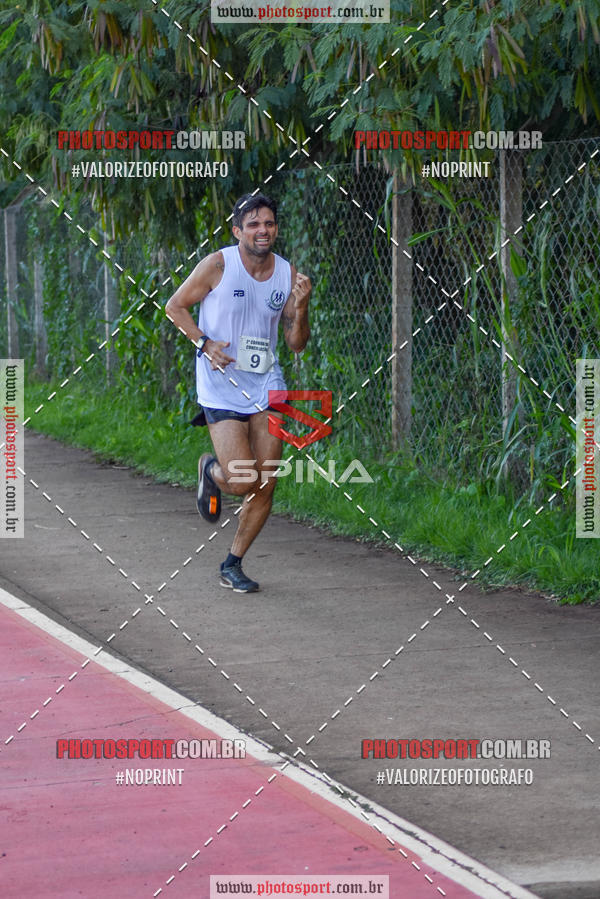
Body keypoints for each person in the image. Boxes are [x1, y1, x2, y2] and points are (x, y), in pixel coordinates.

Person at [165, 193, 311, 593]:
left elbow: (296, 344)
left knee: (266, 480)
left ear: (276, 229)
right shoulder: (218, 265)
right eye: (253, 224)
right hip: (221, 384)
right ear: (237, 231)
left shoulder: (287, 274)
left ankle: (233, 563)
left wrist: (302, 306)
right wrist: (204, 343)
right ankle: (211, 471)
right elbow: (175, 307)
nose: (263, 230)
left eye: (269, 223)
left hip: (266, 383)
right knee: (243, 480)